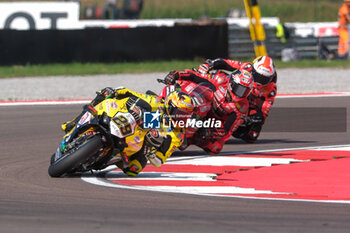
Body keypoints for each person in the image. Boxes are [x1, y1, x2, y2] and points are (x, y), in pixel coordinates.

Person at [61, 87, 193, 176]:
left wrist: (151, 152)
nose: (181, 117)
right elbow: (132, 95)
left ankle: (106, 158)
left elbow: (159, 161)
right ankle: (73, 123)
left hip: (140, 145)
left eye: (186, 115)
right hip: (127, 122)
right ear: (170, 105)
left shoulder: (177, 135)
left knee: (134, 170)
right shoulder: (156, 102)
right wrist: (116, 91)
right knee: (104, 95)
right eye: (179, 112)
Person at [163, 68, 253, 154]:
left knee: (215, 147)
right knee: (184, 84)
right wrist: (177, 74)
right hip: (197, 100)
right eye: (239, 89)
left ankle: (188, 138)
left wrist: (213, 131)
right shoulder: (220, 80)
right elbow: (195, 76)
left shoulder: (242, 107)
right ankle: (162, 100)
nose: (241, 94)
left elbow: (227, 131)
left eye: (245, 91)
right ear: (232, 83)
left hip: (209, 122)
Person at [194, 56, 277, 143]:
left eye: (264, 79)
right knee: (213, 76)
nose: (259, 81)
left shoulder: (271, 90)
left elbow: (264, 109)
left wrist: (254, 118)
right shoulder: (246, 67)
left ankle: (221, 130)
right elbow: (224, 62)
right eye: (258, 76)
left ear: (271, 78)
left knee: (252, 136)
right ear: (253, 70)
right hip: (229, 92)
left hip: (243, 107)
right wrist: (209, 64)